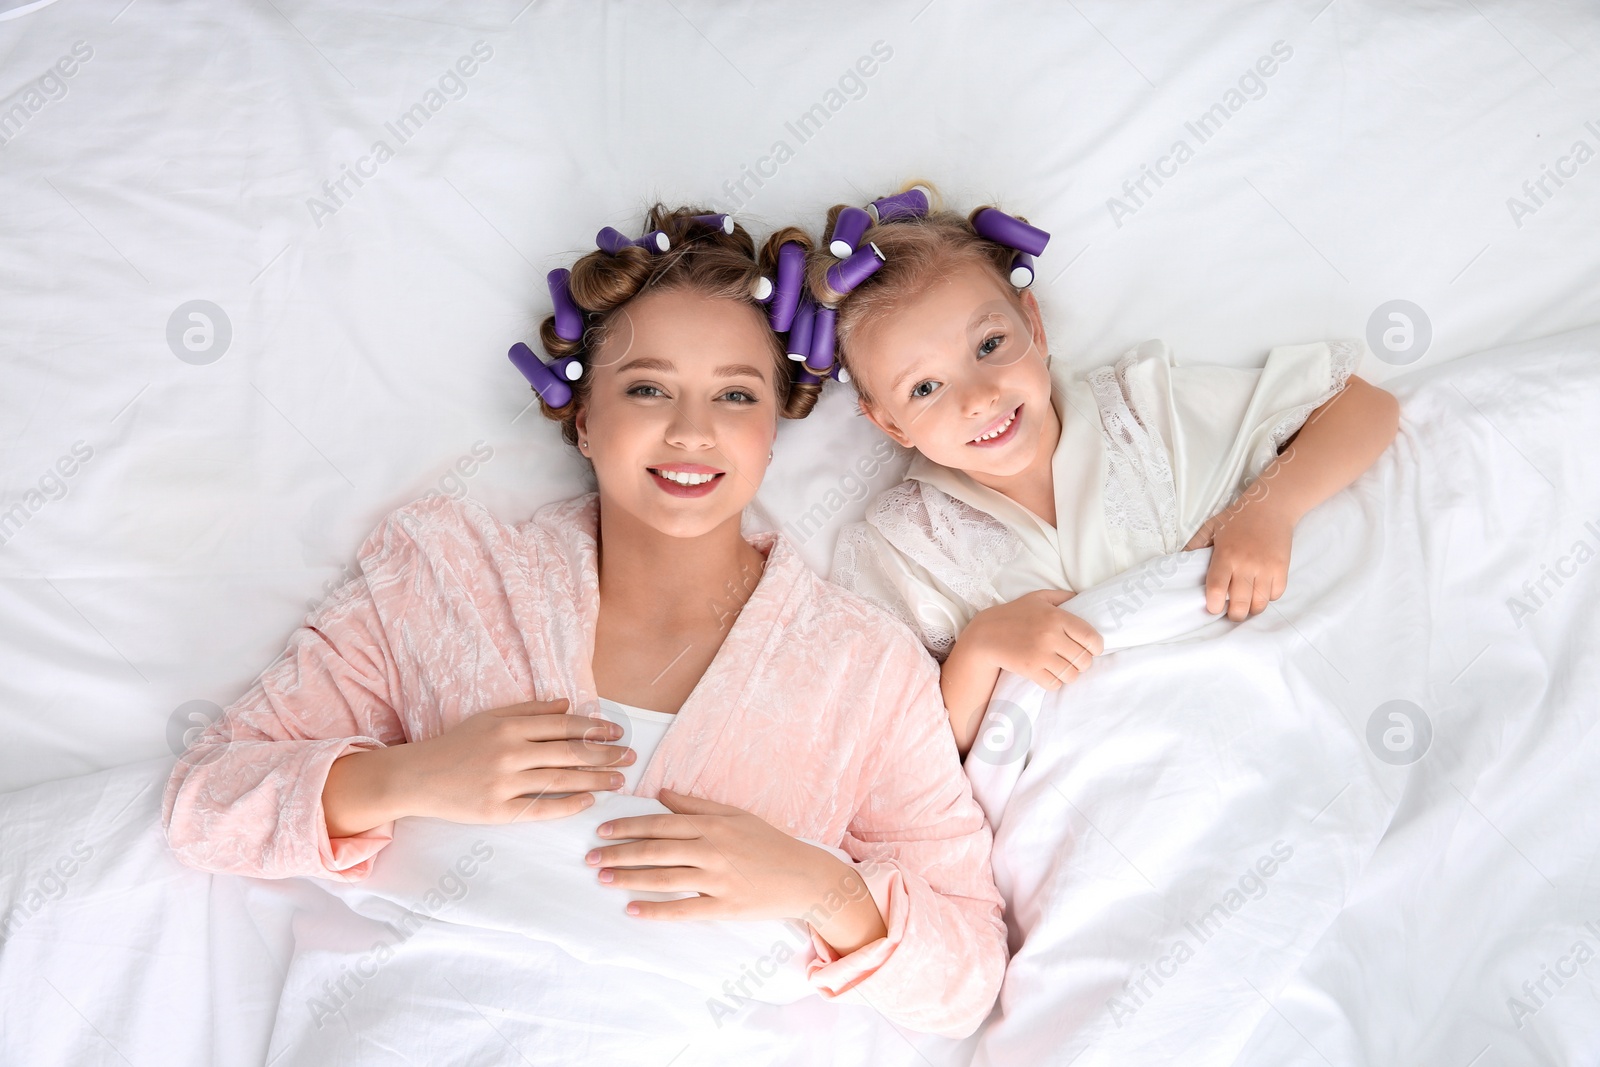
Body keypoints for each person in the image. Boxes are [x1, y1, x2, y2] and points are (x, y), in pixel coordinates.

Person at [161, 206, 1007, 1038]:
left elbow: (967, 979)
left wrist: (820, 885)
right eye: (648, 389)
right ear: (585, 418)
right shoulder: (444, 574)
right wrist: (410, 778)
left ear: (769, 431)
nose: (691, 431)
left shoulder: (866, 669)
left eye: (735, 395)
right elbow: (206, 802)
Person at [813, 182, 1401, 756]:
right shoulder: (905, 545)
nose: (977, 397)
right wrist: (978, 648)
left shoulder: (1142, 411)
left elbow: (1363, 407)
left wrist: (1270, 508)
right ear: (890, 424)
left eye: (989, 345)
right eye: (925, 387)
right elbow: (910, 759)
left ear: (1034, 326)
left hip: (1257, 724)